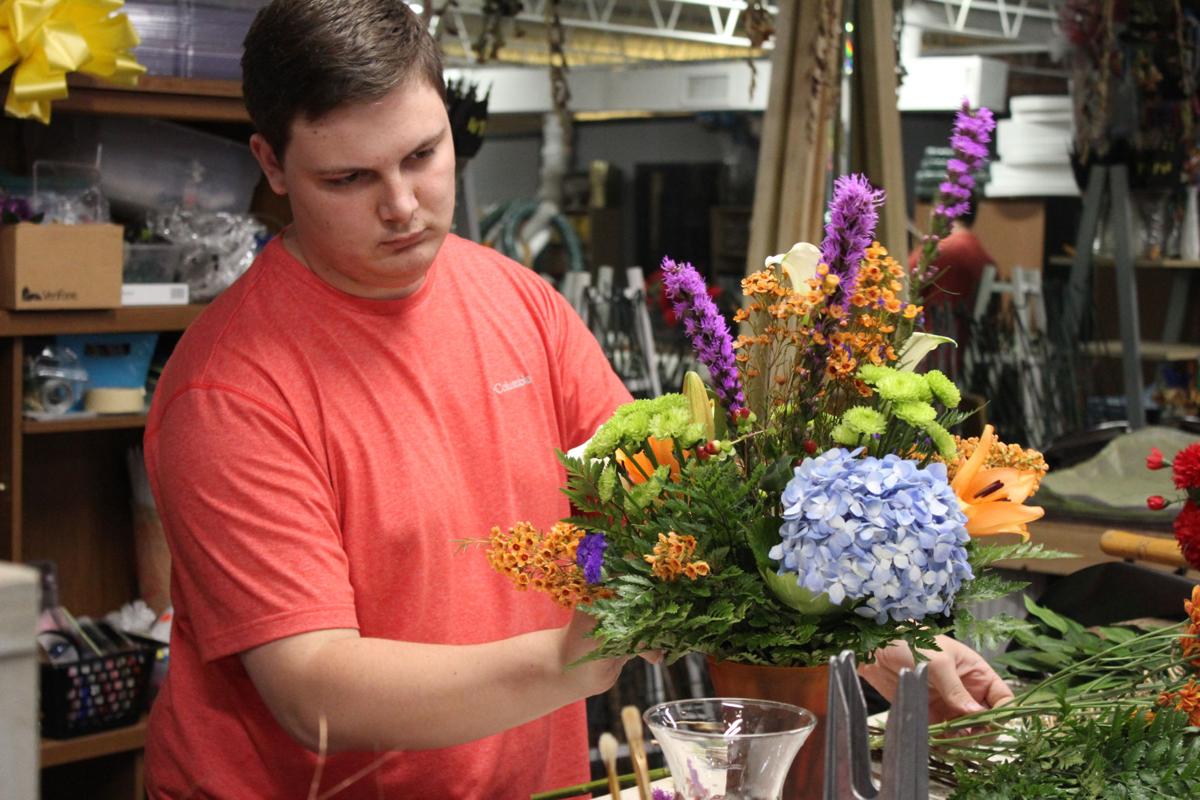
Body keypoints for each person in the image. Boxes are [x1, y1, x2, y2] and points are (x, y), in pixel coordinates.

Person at [143, 2, 1012, 797]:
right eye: (349, 180)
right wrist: (574, 660)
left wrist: (864, 637)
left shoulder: (520, 304)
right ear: (273, 165)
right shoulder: (230, 392)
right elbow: (312, 688)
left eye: (422, 154)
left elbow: (683, 511)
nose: (403, 206)